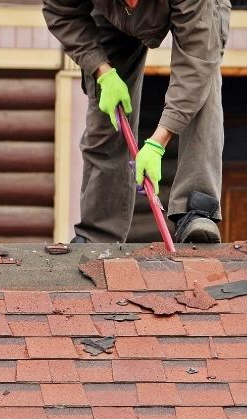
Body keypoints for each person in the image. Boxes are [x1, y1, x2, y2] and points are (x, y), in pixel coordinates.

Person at [43, 0, 231, 244]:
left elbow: (195, 67)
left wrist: (157, 143)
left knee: (202, 89)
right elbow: (61, 12)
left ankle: (196, 210)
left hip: (197, 15)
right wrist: (102, 71)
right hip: (111, 16)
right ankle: (99, 233)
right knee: (106, 112)